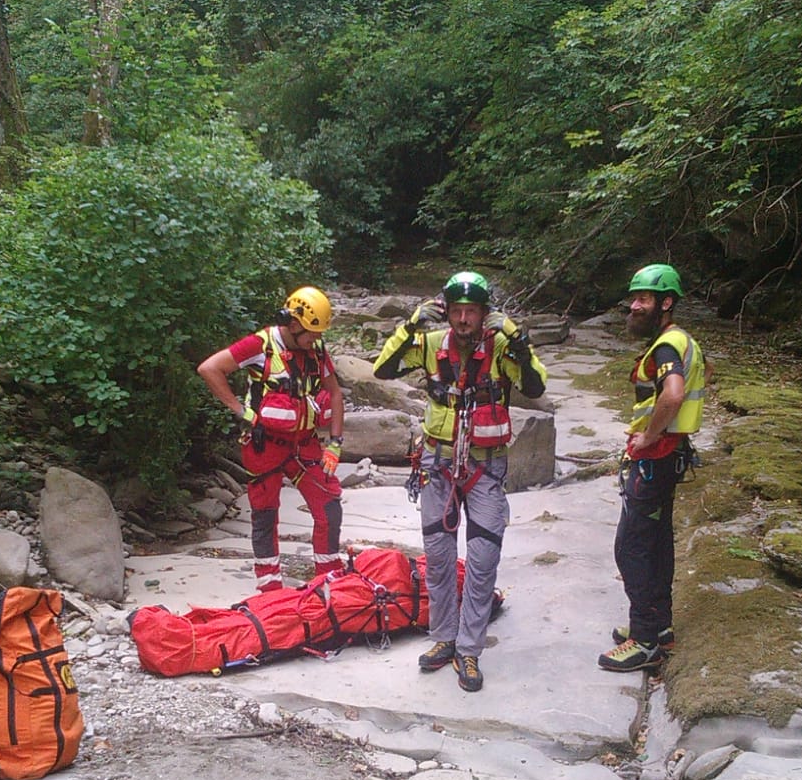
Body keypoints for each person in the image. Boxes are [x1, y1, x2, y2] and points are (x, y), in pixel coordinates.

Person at [374, 271, 547, 692]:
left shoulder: (503, 347)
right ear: (447, 312)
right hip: (439, 463)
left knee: (483, 559)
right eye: (456, 311)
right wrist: (411, 323)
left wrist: (518, 339)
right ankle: (443, 639)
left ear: (485, 314)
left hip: (486, 467)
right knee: (437, 556)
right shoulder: (433, 345)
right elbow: (383, 370)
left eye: (472, 311)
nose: (464, 319)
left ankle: (469, 649)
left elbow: (535, 385)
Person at [197, 286, 345, 593]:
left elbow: (334, 393)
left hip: (304, 443)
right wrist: (241, 412)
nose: (316, 340)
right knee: (265, 515)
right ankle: (270, 587)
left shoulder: (316, 349)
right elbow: (210, 368)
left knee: (329, 505)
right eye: (311, 334)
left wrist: (335, 443)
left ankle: (329, 577)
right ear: (292, 324)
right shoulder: (260, 345)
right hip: (265, 446)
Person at [600, 262, 706, 673]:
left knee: (631, 547)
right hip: (671, 455)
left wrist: (648, 437)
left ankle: (644, 640)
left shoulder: (666, 346)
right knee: (658, 540)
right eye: (634, 297)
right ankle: (660, 627)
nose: (634, 305)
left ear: (666, 303)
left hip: (657, 457)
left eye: (643, 298)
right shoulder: (680, 340)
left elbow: (673, 395)